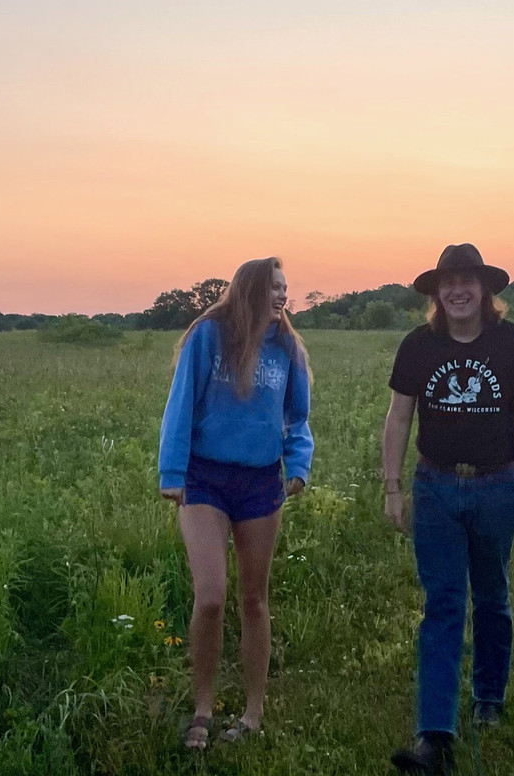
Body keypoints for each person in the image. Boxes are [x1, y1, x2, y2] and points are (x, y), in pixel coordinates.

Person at [383, 243, 514, 774]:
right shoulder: (418, 347)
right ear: (436, 293)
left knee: (491, 594)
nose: (458, 290)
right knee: (443, 603)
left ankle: (488, 697)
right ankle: (434, 737)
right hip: (436, 487)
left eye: (468, 280)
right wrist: (393, 488)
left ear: (485, 290)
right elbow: (399, 419)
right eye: (449, 282)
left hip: (496, 488)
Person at [158, 257, 313, 751]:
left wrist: (298, 464)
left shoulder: (286, 347)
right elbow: (180, 403)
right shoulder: (208, 337)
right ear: (248, 290)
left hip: (261, 483)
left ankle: (251, 714)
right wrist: (172, 471)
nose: (282, 296)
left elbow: (296, 416)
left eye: (285, 287)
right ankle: (201, 709)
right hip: (205, 479)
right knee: (210, 597)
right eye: (273, 287)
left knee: (254, 600)